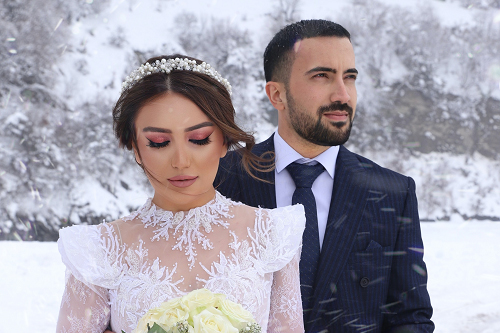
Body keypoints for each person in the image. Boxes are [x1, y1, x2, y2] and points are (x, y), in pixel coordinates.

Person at [56, 54, 306, 333]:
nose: (181, 161)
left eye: (199, 139)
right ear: (135, 148)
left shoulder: (272, 235)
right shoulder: (97, 251)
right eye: (159, 143)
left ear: (224, 140)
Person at [215, 19, 434, 332]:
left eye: (350, 77)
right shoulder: (221, 179)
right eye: (322, 76)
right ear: (277, 94)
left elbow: (410, 318)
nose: (343, 95)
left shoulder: (393, 193)